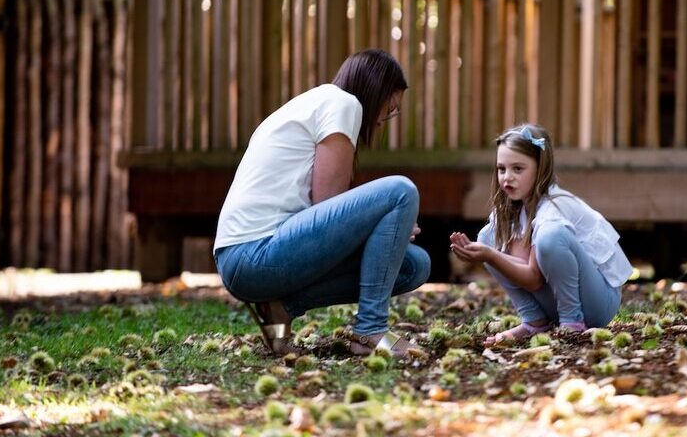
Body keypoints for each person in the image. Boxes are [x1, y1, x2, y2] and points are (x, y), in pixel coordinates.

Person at [214, 49, 430, 357]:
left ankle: (281, 307)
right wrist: (386, 221)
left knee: (414, 265)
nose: (384, 121)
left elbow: (329, 220)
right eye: (390, 108)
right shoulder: (343, 103)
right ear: (374, 91)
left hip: (249, 259)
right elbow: (326, 205)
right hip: (252, 254)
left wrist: (390, 233)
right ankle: (370, 330)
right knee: (400, 191)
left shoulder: (318, 103)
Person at [449, 124, 632, 346]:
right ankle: (535, 321)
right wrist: (486, 252)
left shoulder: (552, 207)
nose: (508, 177)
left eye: (518, 169)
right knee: (488, 237)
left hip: (598, 304)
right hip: (560, 297)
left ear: (540, 168)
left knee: (550, 237)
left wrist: (489, 256)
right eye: (501, 169)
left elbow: (534, 279)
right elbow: (523, 266)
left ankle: (571, 322)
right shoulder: (512, 209)